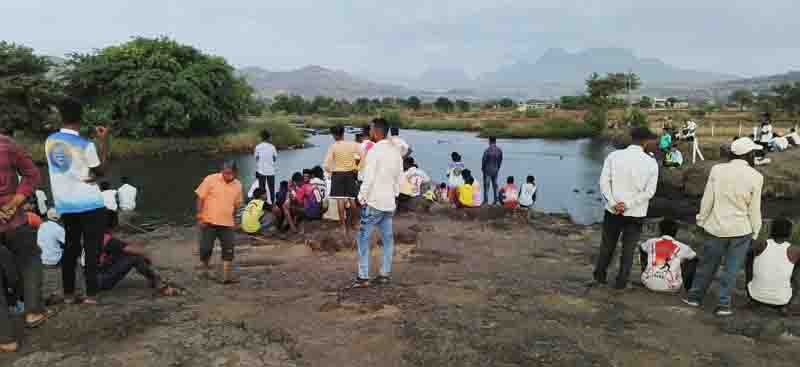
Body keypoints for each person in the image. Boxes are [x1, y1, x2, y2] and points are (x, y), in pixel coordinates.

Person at [684, 137, 764, 316]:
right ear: (748, 154)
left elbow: (708, 199)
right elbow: (754, 209)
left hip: (715, 227)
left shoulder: (717, 170)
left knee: (707, 265)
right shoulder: (756, 177)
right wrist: (756, 231)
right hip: (741, 230)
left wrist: (701, 220)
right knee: (732, 269)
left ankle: (694, 297)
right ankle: (723, 305)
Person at [46, 97, 112, 305]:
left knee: (71, 247)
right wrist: (103, 142)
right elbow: (100, 171)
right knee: (92, 248)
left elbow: (66, 168)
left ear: (61, 116)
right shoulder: (85, 144)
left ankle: (68, 293)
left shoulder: (50, 141)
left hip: (65, 203)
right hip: (90, 202)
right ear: (80, 118)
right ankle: (91, 294)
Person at [0, 131, 49, 353]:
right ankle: (33, 311)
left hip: (12, 220)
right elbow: (32, 175)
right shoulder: (7, 144)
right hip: (15, 220)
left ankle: (6, 338)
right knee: (30, 259)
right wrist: (16, 201)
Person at [594, 127, 659, 290]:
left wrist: (614, 202)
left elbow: (603, 182)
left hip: (613, 210)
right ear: (645, 141)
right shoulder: (651, 162)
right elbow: (649, 192)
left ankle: (599, 276)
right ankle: (621, 282)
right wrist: (628, 204)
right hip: (635, 213)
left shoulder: (614, 156)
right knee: (628, 249)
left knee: (607, 245)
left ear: (631, 138)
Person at [353, 118, 403, 288]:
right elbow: (399, 178)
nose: (370, 132)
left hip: (374, 202)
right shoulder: (395, 151)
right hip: (389, 203)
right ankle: (384, 274)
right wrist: (395, 196)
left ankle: (363, 277)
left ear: (376, 131)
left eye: (372, 129)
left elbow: (369, 178)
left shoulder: (374, 151)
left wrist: (361, 197)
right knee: (388, 239)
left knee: (363, 238)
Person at [195, 161, 243, 284]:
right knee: (206, 248)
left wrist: (236, 220)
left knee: (229, 249)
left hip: (227, 223)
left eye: (230, 173)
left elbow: (237, 204)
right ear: (222, 171)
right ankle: (205, 268)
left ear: (235, 173)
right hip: (208, 221)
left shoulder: (238, 185)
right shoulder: (210, 179)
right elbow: (200, 198)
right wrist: (200, 217)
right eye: (225, 173)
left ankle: (226, 276)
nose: (227, 176)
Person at [745, 218, 800, 313]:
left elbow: (748, 260)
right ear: (789, 232)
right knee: (796, 270)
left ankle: (755, 298)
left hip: (754, 295)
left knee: (749, 262)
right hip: (783, 300)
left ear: (771, 230)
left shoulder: (760, 244)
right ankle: (785, 305)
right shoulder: (795, 250)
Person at [639, 218, 698, 293]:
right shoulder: (682, 247)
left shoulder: (651, 241)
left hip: (647, 283)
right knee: (692, 259)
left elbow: (642, 247)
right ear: (676, 232)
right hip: (672, 287)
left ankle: (648, 274)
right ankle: (688, 287)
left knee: (644, 250)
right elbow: (694, 257)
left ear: (660, 230)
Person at [324, 125, 363, 237]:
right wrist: (357, 168)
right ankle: (355, 223)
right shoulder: (352, 144)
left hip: (337, 174)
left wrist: (331, 173)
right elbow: (363, 155)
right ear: (343, 133)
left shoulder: (333, 147)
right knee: (352, 200)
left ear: (334, 135)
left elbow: (326, 165)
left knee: (340, 201)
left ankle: (343, 227)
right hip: (350, 173)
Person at [255, 129, 278, 203]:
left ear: (261, 137)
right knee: (272, 189)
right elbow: (274, 159)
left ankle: (262, 205)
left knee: (262, 190)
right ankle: (272, 204)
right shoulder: (272, 147)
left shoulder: (258, 147)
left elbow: (256, 158)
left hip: (261, 171)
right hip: (271, 171)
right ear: (269, 138)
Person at [481, 137, 503, 206]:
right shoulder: (499, 150)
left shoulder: (487, 150)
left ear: (489, 141)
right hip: (495, 169)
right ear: (495, 141)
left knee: (486, 186)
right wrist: (498, 167)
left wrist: (483, 168)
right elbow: (500, 160)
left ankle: (486, 201)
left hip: (487, 170)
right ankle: (496, 201)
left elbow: (484, 160)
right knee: (495, 185)